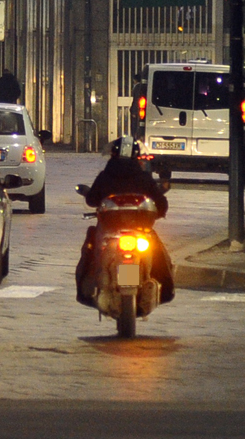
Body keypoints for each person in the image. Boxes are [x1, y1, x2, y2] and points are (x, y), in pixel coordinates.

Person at [76, 136, 174, 307]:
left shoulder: (105, 176)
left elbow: (91, 200)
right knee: (158, 252)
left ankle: (85, 291)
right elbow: (161, 204)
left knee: (90, 248)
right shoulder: (144, 178)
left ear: (113, 155)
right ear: (137, 157)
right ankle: (166, 288)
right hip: (140, 232)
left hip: (109, 233)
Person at [129, 73, 143, 139]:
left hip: (136, 110)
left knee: (134, 126)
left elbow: (136, 100)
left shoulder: (137, 87)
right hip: (138, 109)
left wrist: (133, 111)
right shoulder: (141, 87)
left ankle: (134, 138)